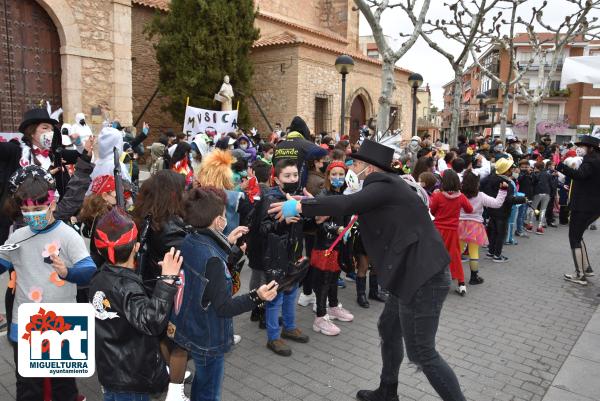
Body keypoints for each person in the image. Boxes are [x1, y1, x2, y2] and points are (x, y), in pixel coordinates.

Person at [268, 140, 466, 401]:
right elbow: (343, 200)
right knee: (389, 328)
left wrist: (300, 207)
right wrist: (308, 200)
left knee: (422, 353)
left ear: (370, 169)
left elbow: (346, 205)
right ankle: (387, 390)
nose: (354, 167)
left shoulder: (383, 186)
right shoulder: (388, 186)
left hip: (422, 277)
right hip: (409, 272)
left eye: (358, 164)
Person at [170, 187, 278, 401]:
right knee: (209, 390)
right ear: (219, 221)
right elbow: (224, 307)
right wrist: (258, 296)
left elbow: (207, 273)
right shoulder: (212, 258)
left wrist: (229, 246)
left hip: (190, 324)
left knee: (203, 379)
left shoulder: (189, 240)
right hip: (209, 334)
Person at [0, 166, 96, 401]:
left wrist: (68, 272)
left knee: (62, 384)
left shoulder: (67, 235)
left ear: (52, 204)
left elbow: (89, 270)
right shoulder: (17, 237)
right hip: (27, 320)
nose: (33, 215)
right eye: (26, 210)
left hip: (62, 321)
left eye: (39, 209)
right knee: (28, 384)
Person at [90, 208, 182, 401]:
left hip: (111, 371)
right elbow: (152, 322)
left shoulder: (99, 278)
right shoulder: (125, 286)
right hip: (131, 378)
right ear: (136, 246)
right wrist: (166, 281)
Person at [132, 170, 190, 401]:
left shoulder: (147, 216)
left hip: (151, 288)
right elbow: (189, 257)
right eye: (183, 190)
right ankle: (175, 393)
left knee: (164, 338)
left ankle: (169, 376)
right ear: (173, 195)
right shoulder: (169, 226)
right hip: (168, 291)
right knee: (179, 343)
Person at [260, 159, 312, 356]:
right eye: (287, 176)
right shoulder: (270, 198)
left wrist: (311, 210)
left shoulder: (298, 198)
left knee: (291, 292)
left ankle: (289, 327)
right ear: (276, 179)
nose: (292, 179)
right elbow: (262, 229)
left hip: (295, 253)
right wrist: (282, 222)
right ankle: (273, 337)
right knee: (275, 296)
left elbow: (305, 225)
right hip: (275, 256)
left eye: (295, 175)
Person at [311, 161, 354, 335]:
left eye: (340, 174)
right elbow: (317, 222)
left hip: (339, 245)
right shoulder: (323, 195)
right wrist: (336, 229)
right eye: (333, 174)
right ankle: (320, 317)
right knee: (324, 282)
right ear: (328, 176)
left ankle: (333, 306)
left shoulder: (346, 193)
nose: (337, 178)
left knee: (334, 278)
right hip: (325, 246)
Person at [555, 134, 600, 285]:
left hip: (583, 206)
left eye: (582, 146)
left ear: (591, 148)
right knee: (578, 236)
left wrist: (562, 167)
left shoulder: (591, 161)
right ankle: (586, 268)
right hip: (591, 206)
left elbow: (580, 175)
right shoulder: (596, 160)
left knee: (574, 237)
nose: (579, 149)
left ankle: (579, 274)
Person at [429, 170, 473, 295]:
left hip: (437, 230)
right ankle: (461, 283)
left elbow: (432, 211)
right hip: (453, 231)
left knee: (435, 255)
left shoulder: (438, 196)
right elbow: (469, 209)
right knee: (455, 256)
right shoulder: (461, 197)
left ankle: (433, 281)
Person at [459, 171, 507, 285]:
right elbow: (497, 204)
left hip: (459, 225)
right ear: (477, 183)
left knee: (457, 251)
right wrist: (503, 191)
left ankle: (452, 273)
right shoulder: (480, 196)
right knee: (473, 252)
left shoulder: (458, 194)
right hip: (475, 226)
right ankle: (474, 277)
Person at [481, 158, 526, 263]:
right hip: (503, 212)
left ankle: (491, 252)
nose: (513, 170)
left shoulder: (491, 178)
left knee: (492, 232)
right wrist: (522, 199)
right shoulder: (506, 183)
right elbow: (509, 199)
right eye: (511, 168)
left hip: (492, 209)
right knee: (500, 233)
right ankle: (497, 255)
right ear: (507, 171)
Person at [272, 116, 328, 188]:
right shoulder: (308, 145)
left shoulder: (278, 146)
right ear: (305, 131)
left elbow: (274, 164)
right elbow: (324, 155)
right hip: (300, 190)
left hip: (280, 188)